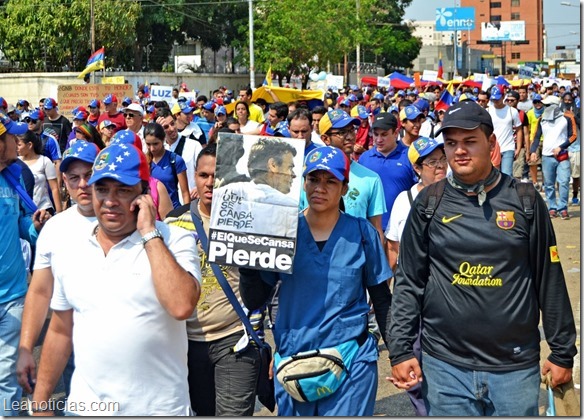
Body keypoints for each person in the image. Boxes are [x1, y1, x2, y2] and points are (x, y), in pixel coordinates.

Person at [388, 100, 577, 416]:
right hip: (445, 367)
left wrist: (561, 352)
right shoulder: (428, 204)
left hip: (514, 367)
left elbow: (550, 279)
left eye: (469, 141)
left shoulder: (526, 201)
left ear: (491, 144)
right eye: (451, 143)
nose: (458, 151)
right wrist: (400, 350)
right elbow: (408, 281)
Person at [30, 143, 201, 415]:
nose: (110, 200)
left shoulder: (173, 240)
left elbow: (182, 306)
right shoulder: (70, 247)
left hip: (159, 410)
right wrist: (40, 402)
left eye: (122, 190)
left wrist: (148, 233)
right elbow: (61, 329)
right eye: (102, 189)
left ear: (144, 194)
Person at [239, 146, 393, 416]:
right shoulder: (281, 233)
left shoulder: (362, 233)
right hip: (294, 362)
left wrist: (400, 355)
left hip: (350, 361)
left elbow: (382, 300)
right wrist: (248, 265)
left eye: (330, 181)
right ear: (303, 182)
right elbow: (254, 300)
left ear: (344, 188)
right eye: (314, 179)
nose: (320, 188)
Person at [164, 143, 261, 416]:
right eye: (204, 176)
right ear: (194, 176)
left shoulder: (248, 221)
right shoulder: (173, 223)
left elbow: (269, 288)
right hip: (185, 345)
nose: (210, 184)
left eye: (218, 177)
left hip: (235, 342)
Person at [16, 140, 100, 403]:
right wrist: (27, 347)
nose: (83, 185)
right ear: (64, 180)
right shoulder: (55, 229)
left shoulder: (125, 221)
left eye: (89, 175)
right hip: (68, 338)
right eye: (74, 178)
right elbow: (40, 292)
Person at [0, 117, 51, 416]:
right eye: (10, 138)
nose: (16, 144)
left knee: (7, 376)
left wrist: (32, 227)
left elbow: (19, 225)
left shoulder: (14, 174)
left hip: (13, 297)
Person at [211, 137, 299, 238]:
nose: (293, 174)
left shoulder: (221, 194)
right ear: (273, 165)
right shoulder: (291, 207)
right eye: (290, 167)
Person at [358, 112, 417, 231]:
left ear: (396, 133)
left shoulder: (410, 156)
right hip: (370, 229)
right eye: (375, 134)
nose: (379, 139)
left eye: (384, 134)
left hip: (402, 229)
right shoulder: (364, 158)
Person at [530, 95, 578, 220]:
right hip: (547, 156)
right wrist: (533, 151)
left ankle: (563, 208)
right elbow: (536, 137)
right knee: (549, 184)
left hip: (562, 155)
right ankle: (552, 207)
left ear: (555, 106)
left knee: (563, 182)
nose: (544, 107)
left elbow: (573, 135)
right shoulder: (542, 119)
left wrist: (561, 147)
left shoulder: (567, 117)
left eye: (547, 105)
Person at [156, 108, 202, 200]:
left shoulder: (194, 145)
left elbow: (205, 170)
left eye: (172, 123)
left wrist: (198, 188)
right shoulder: (157, 149)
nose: (172, 128)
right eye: (166, 127)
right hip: (166, 203)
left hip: (189, 201)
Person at [144, 122, 190, 208]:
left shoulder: (175, 160)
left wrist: (187, 215)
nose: (152, 149)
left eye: (155, 144)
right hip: (152, 213)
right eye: (148, 144)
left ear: (163, 140)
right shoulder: (143, 162)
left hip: (173, 213)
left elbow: (185, 193)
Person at [16, 130, 62, 214]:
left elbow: (54, 188)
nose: (16, 148)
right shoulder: (15, 162)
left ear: (29, 145)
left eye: (19, 145)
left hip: (44, 210)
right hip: (23, 211)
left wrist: (59, 212)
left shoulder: (44, 161)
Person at [487, 86, 523, 177]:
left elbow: (519, 130)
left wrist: (518, 148)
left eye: (498, 99)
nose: (495, 101)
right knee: (493, 175)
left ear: (503, 96)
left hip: (508, 147)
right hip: (493, 148)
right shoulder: (488, 111)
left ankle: (507, 191)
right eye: (494, 99)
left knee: (507, 175)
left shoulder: (512, 111)